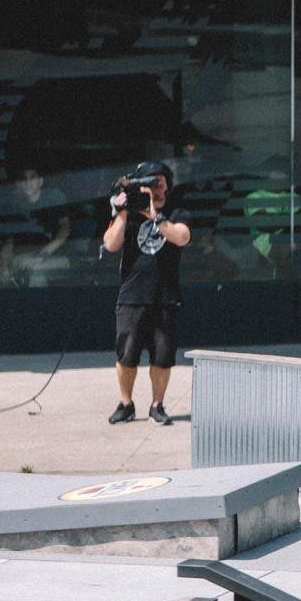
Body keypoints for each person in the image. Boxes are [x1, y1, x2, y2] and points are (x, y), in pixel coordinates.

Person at [100, 160, 191, 426]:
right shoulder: (128, 213)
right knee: (126, 354)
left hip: (165, 295)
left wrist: (153, 213)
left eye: (160, 179)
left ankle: (157, 404)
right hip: (132, 294)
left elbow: (181, 237)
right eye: (150, 180)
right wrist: (124, 211)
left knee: (162, 356)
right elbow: (111, 243)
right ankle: (126, 404)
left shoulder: (177, 212)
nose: (156, 184)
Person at [0, 166, 74, 288]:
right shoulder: (16, 205)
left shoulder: (53, 197)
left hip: (56, 254)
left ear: (41, 181)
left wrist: (40, 256)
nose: (28, 183)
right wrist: (3, 266)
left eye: (32, 178)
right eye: (23, 179)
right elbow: (9, 242)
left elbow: (65, 231)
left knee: (36, 271)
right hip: (24, 257)